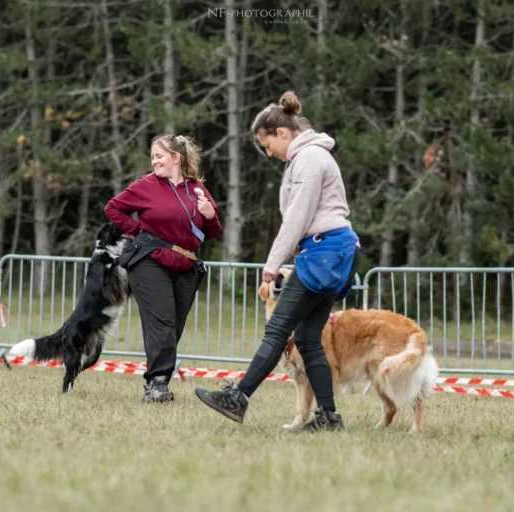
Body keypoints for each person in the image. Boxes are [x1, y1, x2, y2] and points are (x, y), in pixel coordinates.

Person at [194, 91, 361, 432]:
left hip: (324, 252)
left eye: (267, 144)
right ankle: (329, 418)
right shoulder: (306, 159)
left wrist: (271, 267)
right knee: (308, 338)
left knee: (277, 329)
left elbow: (297, 219)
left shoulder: (310, 160)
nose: (268, 152)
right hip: (331, 251)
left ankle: (237, 397)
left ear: (282, 133)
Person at [105, 134, 221, 403]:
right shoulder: (145, 185)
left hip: (186, 263)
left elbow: (211, 232)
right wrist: (138, 232)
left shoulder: (197, 190)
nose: (154, 160)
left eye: (159, 155)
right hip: (149, 259)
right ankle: (156, 384)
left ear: (176, 158)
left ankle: (160, 380)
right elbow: (113, 208)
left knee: (174, 326)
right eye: (153, 156)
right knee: (162, 320)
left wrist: (209, 215)